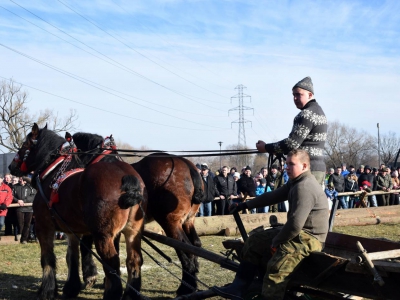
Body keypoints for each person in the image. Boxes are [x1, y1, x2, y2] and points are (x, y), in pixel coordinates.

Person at [212, 149, 328, 300]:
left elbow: (295, 224)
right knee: (254, 242)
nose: (286, 167)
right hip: (298, 233)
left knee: (276, 270)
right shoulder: (295, 182)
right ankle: (238, 288)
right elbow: (272, 196)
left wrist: (277, 241)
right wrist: (244, 205)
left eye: (291, 164)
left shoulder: (304, 186)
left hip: (310, 238)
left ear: (305, 166)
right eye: (286, 164)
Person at [256, 77, 327, 186]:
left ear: (310, 95)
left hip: (306, 170)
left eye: (299, 95)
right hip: (318, 168)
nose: (295, 98)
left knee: (301, 202)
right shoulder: (319, 112)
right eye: (293, 95)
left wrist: (266, 148)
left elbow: (292, 144)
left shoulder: (306, 114)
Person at [13, 176, 36, 244]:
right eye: (20, 179)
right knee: (20, 224)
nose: (21, 180)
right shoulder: (14, 187)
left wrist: (23, 201)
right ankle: (20, 235)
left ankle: (24, 239)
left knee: (27, 224)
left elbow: (33, 195)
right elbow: (11, 195)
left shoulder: (30, 187)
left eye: (22, 179)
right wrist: (18, 201)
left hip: (29, 208)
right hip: (19, 208)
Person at [0, 174, 13, 241]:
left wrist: (5, 204)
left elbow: (9, 197)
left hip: (2, 209)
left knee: (1, 223)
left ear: (1, 179)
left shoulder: (6, 188)